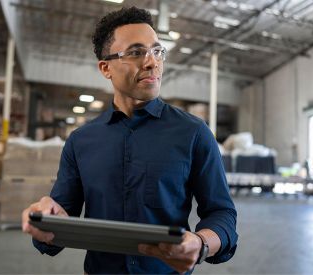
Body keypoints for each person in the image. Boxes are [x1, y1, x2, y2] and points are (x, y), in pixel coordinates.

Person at [22, 6, 238, 274]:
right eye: (136, 52)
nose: (152, 62)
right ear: (106, 68)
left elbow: (222, 214)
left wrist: (202, 243)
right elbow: (59, 222)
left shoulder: (194, 133)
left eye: (157, 51)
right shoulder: (81, 141)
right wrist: (47, 222)